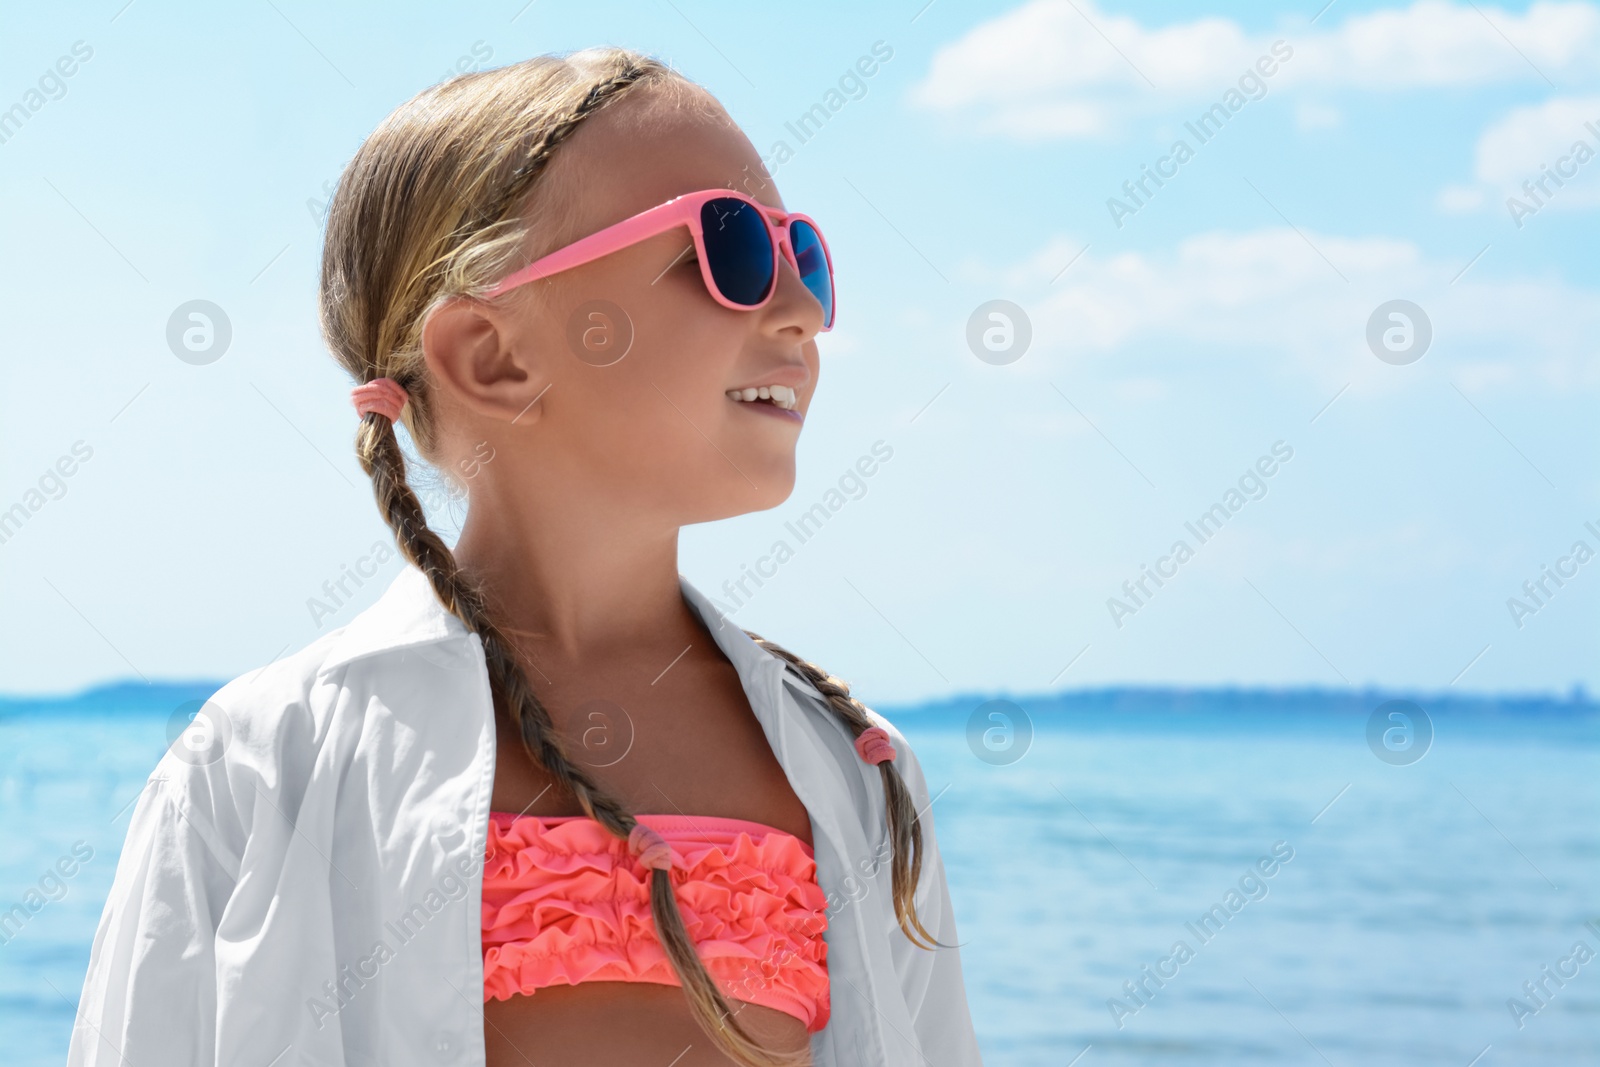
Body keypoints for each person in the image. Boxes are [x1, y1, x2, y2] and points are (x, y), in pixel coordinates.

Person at [67, 46, 983, 1067]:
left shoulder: (859, 769)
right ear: (493, 356)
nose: (803, 309)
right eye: (728, 248)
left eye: (800, 251)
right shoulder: (262, 762)